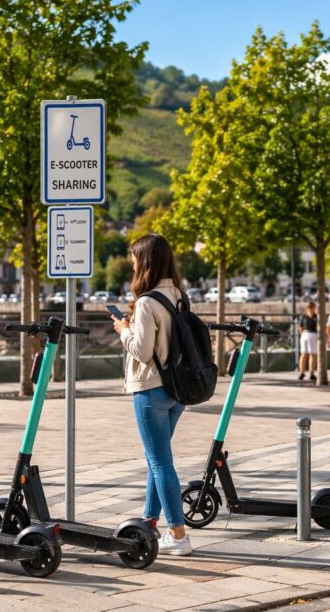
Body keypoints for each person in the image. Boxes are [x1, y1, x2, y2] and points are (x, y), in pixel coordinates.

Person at [111, 233, 192, 556]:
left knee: (160, 462)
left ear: (145, 263)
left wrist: (124, 331)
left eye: (134, 260)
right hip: (178, 389)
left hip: (151, 389)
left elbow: (143, 352)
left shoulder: (147, 302)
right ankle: (149, 523)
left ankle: (179, 534)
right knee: (156, 460)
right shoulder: (181, 296)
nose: (132, 266)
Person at [297, 302, 318, 382]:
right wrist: (301, 333)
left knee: (312, 354)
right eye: (310, 307)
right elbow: (300, 326)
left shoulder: (316, 316)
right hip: (305, 334)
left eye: (312, 307)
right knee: (304, 354)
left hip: (313, 334)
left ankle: (311, 372)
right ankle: (302, 372)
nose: (311, 309)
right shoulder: (304, 317)